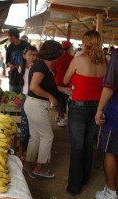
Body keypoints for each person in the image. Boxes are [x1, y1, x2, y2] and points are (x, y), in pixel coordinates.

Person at [63, 30, 107, 196]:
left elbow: (66, 80)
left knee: (76, 147)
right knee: (88, 145)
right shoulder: (104, 62)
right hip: (96, 107)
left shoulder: (78, 60)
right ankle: (84, 179)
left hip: (79, 106)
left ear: (85, 42)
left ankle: (74, 186)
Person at [23, 40, 63, 178]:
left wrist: (63, 90)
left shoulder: (43, 65)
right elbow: (34, 87)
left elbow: (44, 85)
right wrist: (51, 97)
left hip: (33, 104)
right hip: (36, 105)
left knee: (35, 137)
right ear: (54, 54)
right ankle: (39, 167)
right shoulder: (41, 66)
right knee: (47, 136)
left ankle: (28, 164)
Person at [95, 48, 118, 199]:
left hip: (115, 115)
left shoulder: (117, 55)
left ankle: (111, 191)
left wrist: (99, 109)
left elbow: (109, 86)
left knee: (110, 153)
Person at [18, 45, 38, 159]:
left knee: (34, 126)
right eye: (29, 55)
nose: (32, 57)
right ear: (24, 56)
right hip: (26, 97)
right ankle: (22, 149)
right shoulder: (22, 68)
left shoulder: (38, 68)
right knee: (25, 125)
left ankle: (31, 152)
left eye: (34, 55)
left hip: (35, 98)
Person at [51, 41, 74, 127]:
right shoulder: (72, 58)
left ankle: (61, 117)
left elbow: (52, 70)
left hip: (58, 83)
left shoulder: (56, 57)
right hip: (68, 84)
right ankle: (62, 117)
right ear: (69, 48)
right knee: (65, 100)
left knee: (60, 101)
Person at [5, 28, 30, 93]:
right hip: (13, 78)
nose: (8, 38)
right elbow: (7, 61)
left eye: (9, 36)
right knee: (12, 99)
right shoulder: (10, 48)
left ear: (13, 36)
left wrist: (23, 65)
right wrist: (10, 65)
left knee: (23, 99)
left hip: (25, 78)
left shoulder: (26, 45)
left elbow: (32, 59)